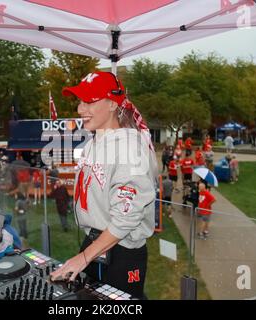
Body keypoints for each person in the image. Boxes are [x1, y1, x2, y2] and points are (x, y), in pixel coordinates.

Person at [50, 71, 158, 300]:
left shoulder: (131, 150)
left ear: (112, 103)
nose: (80, 109)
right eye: (80, 101)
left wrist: (84, 257)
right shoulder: (94, 141)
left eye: (90, 101)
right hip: (95, 241)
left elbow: (126, 218)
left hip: (122, 251)